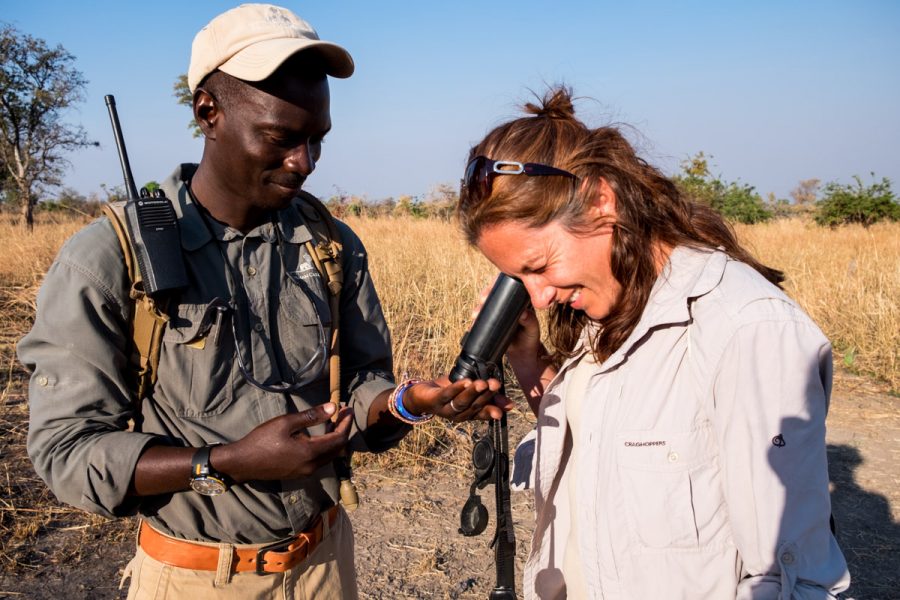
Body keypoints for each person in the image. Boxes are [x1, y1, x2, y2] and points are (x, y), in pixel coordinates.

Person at [17, 5, 505, 599]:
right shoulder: (108, 259)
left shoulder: (329, 244)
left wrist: (406, 404)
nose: (304, 163)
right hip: (196, 578)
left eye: (316, 140)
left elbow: (360, 383)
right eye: (280, 138)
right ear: (208, 113)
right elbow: (67, 453)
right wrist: (222, 462)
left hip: (325, 562)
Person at [456, 86, 851, 599]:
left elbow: (794, 579)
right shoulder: (611, 304)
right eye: (516, 279)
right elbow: (599, 444)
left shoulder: (747, 331)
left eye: (538, 266)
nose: (541, 297)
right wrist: (529, 361)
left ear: (601, 203)